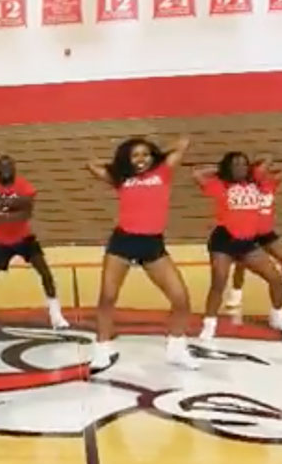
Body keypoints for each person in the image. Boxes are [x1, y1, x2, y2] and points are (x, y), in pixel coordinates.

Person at [86, 137, 200, 370]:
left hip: (152, 245)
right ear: (128, 159)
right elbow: (92, 165)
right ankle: (102, 349)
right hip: (123, 243)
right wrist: (117, 165)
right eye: (135, 155)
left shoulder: (163, 172)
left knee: (180, 298)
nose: (141, 159)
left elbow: (183, 145)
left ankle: (176, 348)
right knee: (107, 297)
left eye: (146, 154)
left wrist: (161, 154)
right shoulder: (122, 178)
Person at [192, 152, 282, 343]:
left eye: (243, 164)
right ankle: (209, 324)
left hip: (247, 243)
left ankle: (278, 317)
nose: (240, 168)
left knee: (275, 279)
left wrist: (254, 167)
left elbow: (268, 159)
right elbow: (197, 174)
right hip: (224, 242)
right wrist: (220, 168)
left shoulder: (256, 184)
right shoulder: (220, 185)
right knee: (219, 282)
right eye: (235, 165)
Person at [0, 155, 69, 337]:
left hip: (24, 238)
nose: (5, 170)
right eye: (2, 167)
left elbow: (25, 212)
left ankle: (56, 316)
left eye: (8, 167)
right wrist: (14, 205)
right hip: (0, 242)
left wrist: (3, 209)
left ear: (14, 169)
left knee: (45, 273)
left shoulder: (24, 185)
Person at [225, 156, 282, 309]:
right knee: (241, 265)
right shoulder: (246, 186)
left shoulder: (271, 183)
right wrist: (254, 168)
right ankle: (236, 294)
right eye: (261, 168)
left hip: (266, 232)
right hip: (249, 233)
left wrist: (267, 167)